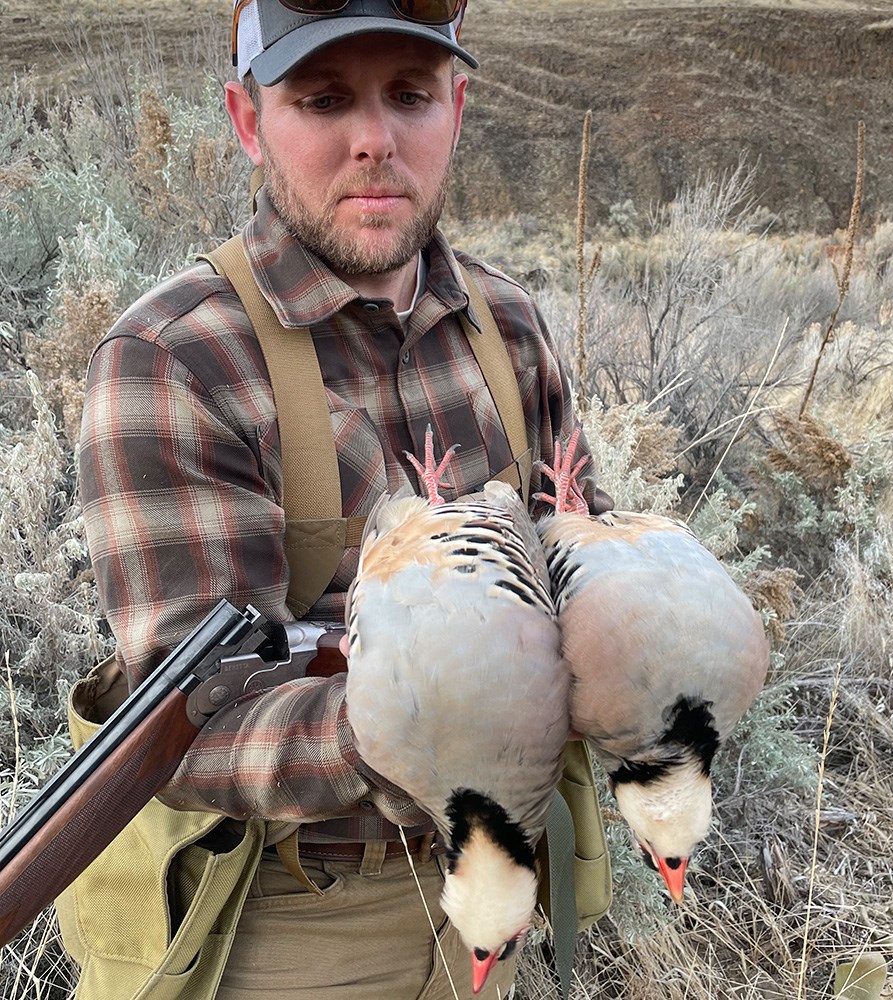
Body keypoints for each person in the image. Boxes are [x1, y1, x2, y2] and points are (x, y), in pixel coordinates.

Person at [75, 1, 608, 997]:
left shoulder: (510, 327)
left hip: (509, 896)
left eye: (409, 94)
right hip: (303, 922)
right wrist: (394, 718)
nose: (374, 139)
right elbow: (190, 728)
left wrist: (643, 629)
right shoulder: (175, 359)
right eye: (322, 100)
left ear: (456, 104)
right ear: (246, 119)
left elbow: (579, 564)